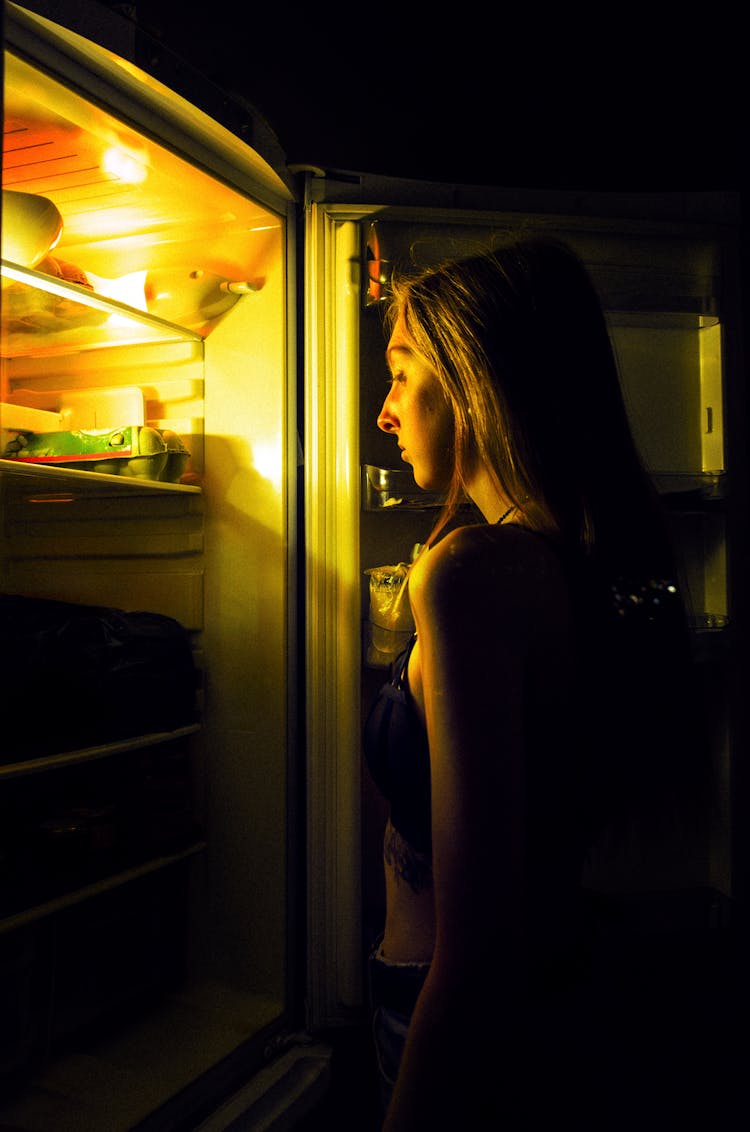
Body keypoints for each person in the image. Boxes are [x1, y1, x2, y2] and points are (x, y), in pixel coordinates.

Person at [362, 238, 711, 1129]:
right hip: (551, 1001)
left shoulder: (472, 574)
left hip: (455, 1026)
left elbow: (476, 951)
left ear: (475, 377)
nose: (385, 413)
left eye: (401, 373)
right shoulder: (574, 562)